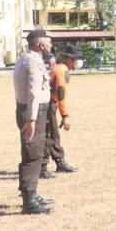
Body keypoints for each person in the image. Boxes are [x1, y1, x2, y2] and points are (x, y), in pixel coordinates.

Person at [13, 29, 55, 215]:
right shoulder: (34, 62)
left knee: (35, 152)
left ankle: (32, 193)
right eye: (49, 42)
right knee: (32, 154)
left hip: (32, 112)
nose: (51, 46)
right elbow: (33, 93)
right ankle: (29, 201)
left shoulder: (25, 58)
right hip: (33, 113)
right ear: (41, 45)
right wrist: (31, 119)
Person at [41, 44, 84, 177]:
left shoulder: (61, 68)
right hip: (47, 105)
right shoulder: (62, 70)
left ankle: (59, 162)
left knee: (52, 135)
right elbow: (61, 94)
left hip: (49, 104)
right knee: (49, 135)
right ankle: (42, 168)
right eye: (78, 59)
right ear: (71, 59)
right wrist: (65, 115)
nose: (79, 62)